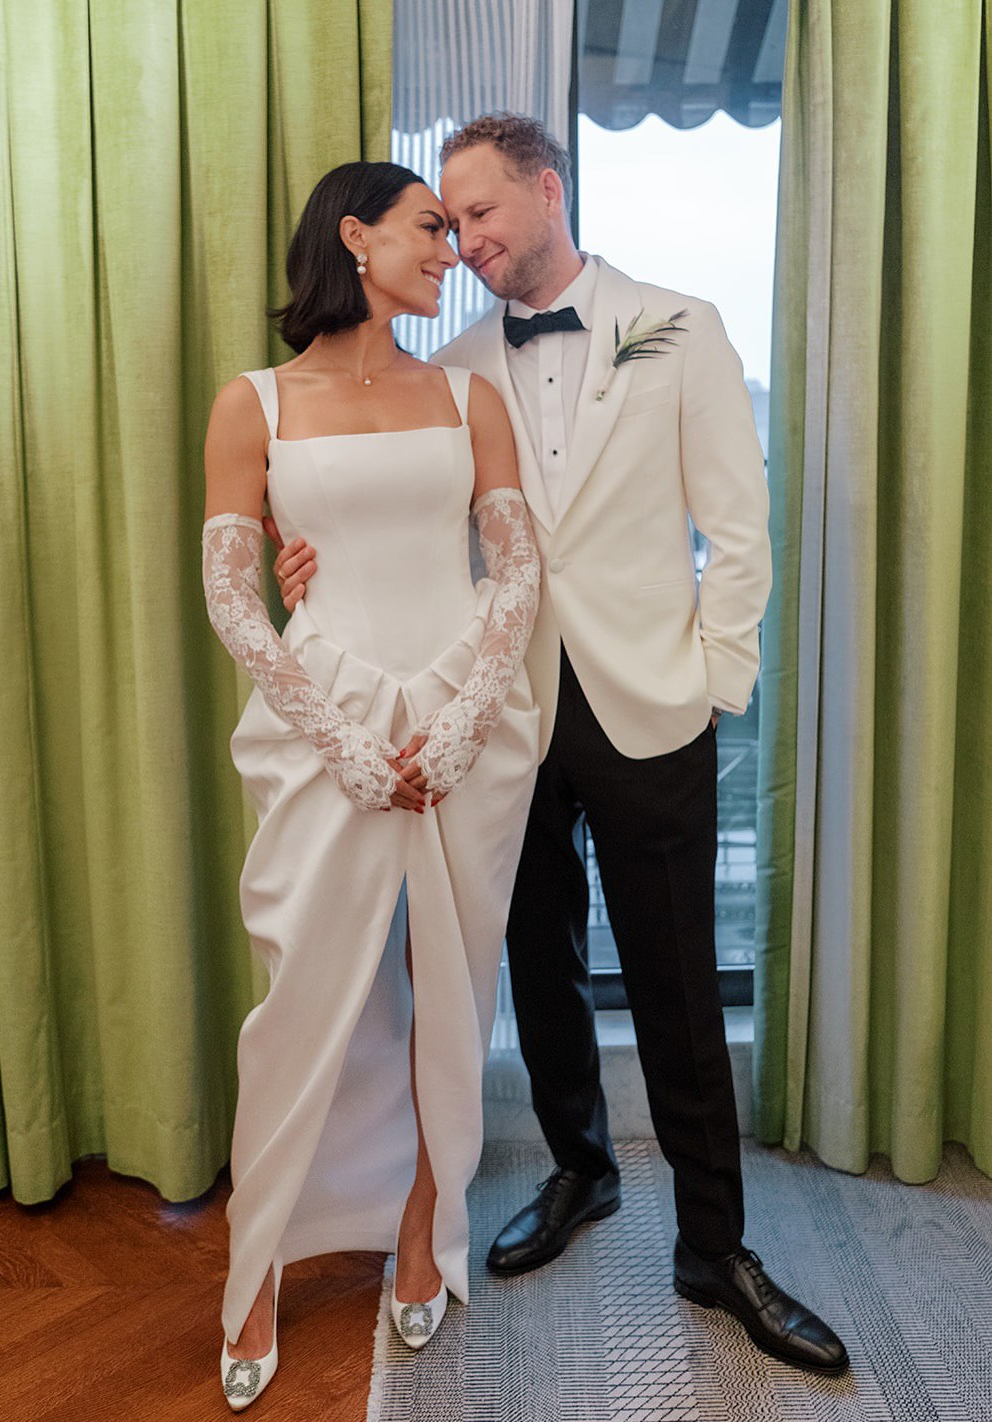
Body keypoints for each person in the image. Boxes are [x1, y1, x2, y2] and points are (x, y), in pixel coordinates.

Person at [275, 115, 849, 1377]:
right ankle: (579, 1169)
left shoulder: (681, 325)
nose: (466, 243)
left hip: (652, 706)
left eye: (480, 214)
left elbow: (736, 526)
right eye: (448, 225)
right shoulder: (451, 367)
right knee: (534, 962)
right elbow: (413, 532)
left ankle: (714, 1247)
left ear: (547, 191)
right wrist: (308, 563)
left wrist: (713, 684)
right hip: (501, 716)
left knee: (674, 983)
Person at [202, 159, 541, 1409]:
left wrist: (458, 724)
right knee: (305, 1001)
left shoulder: (466, 398)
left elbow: (516, 571)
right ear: (354, 237)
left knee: (449, 983)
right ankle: (253, 1270)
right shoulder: (252, 402)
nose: (449, 250)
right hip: (321, 714)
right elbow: (232, 596)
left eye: (455, 229)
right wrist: (342, 742)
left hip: (462, 714)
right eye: (428, 227)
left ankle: (420, 1231)